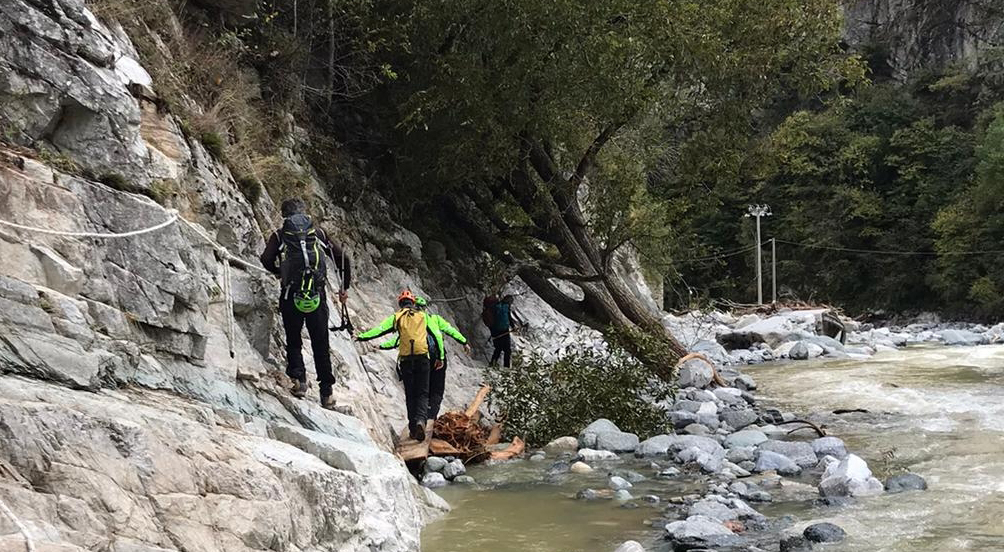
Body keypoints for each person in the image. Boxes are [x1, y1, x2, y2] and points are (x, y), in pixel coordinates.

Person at [260, 198, 351, 410]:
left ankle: (299, 381)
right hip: (317, 296)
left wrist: (279, 273)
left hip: (291, 295)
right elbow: (343, 259)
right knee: (321, 342)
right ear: (304, 212)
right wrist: (344, 288)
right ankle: (327, 394)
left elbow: (265, 259)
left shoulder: (280, 235)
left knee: (293, 339)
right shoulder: (318, 234)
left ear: (284, 215)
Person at [357, 291, 438, 441]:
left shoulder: (397, 317)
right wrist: (440, 357)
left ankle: (413, 428)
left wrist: (362, 337)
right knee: (422, 393)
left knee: (410, 394)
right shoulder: (423, 316)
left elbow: (380, 329)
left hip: (406, 361)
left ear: (400, 304)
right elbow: (436, 335)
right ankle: (421, 420)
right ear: (413, 303)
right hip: (423, 359)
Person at [378, 297, 470, 419]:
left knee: (420, 391)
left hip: (421, 358)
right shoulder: (435, 319)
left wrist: (381, 346)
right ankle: (431, 417)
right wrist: (464, 342)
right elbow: (450, 330)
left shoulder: (412, 322)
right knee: (436, 389)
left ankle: (419, 418)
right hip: (437, 358)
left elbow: (398, 340)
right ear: (426, 308)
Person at [489, 294, 520, 368]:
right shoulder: (505, 307)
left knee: (498, 349)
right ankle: (506, 367)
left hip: (495, 331)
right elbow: (509, 318)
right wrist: (513, 327)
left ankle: (492, 364)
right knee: (507, 350)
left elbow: (492, 320)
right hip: (504, 331)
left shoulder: (496, 306)